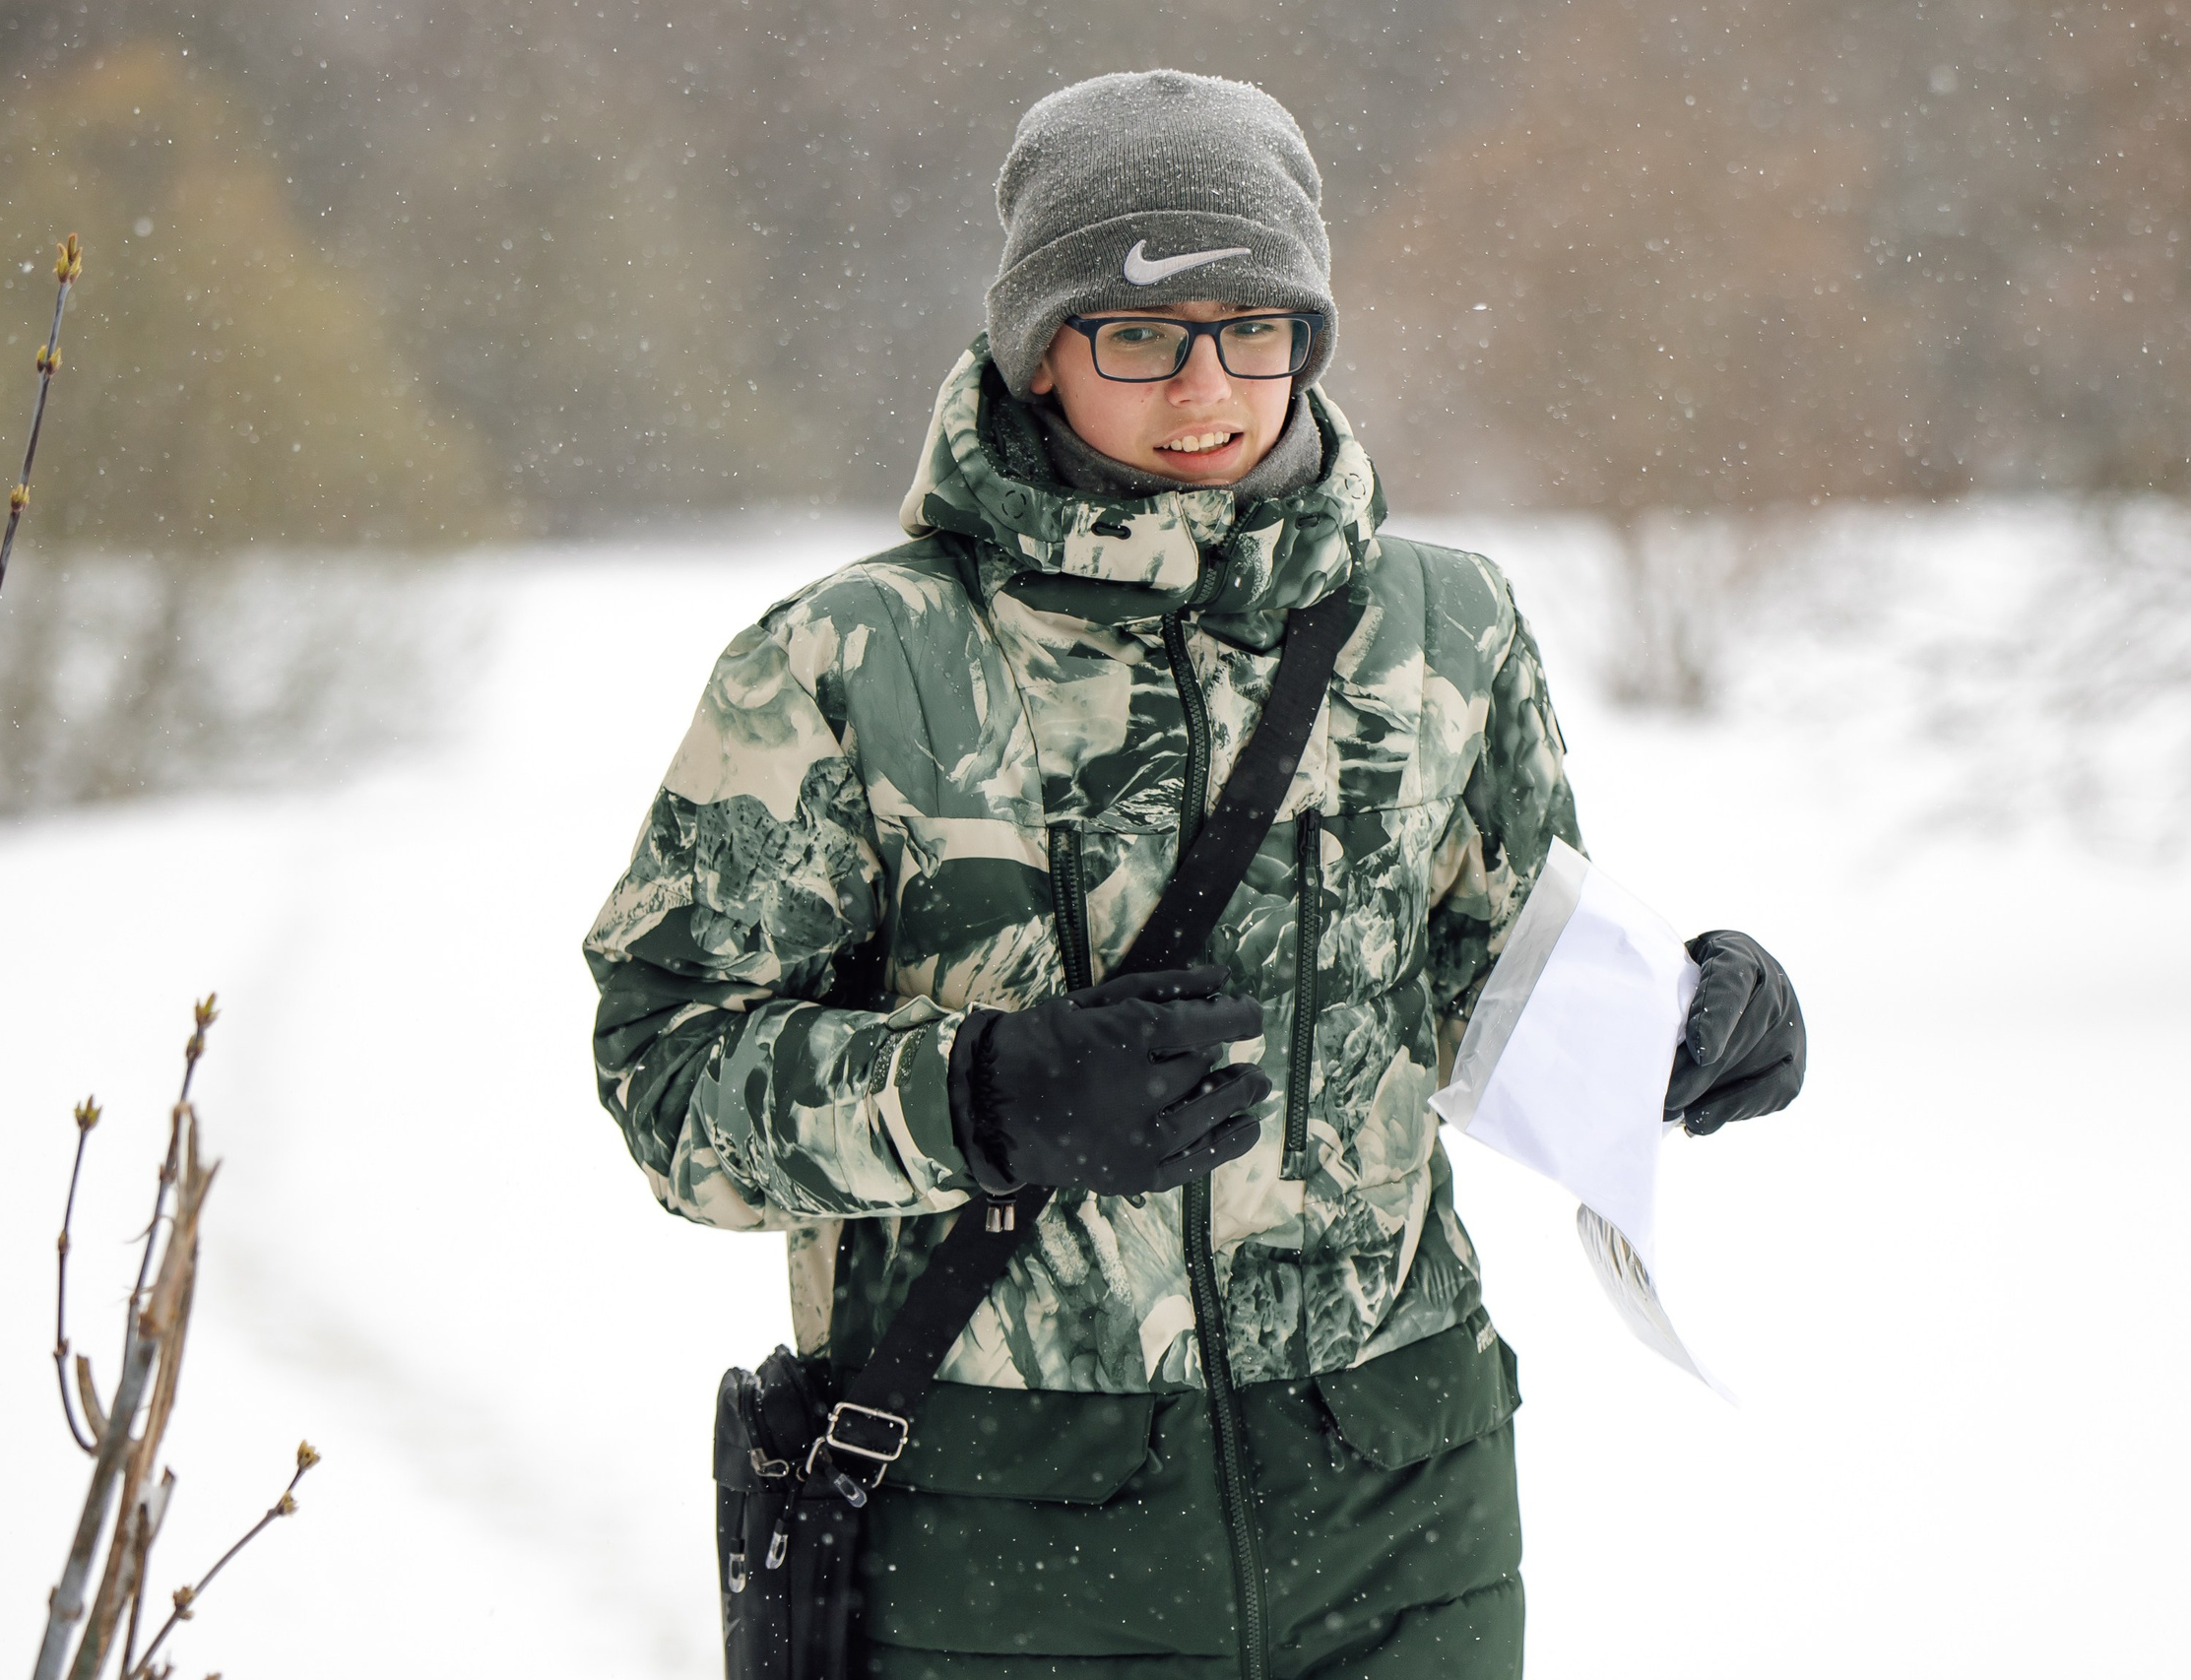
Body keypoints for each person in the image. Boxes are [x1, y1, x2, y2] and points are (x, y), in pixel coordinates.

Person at [585, 69, 1806, 1680]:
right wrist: (985, 1095)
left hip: (1401, 1492)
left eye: (1257, 327)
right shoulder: (852, 659)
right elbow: (672, 1078)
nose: (1206, 386)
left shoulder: (1444, 628)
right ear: (1041, 347)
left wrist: (1681, 1022)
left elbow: (1476, 992)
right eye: (1142, 333)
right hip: (1004, 1526)